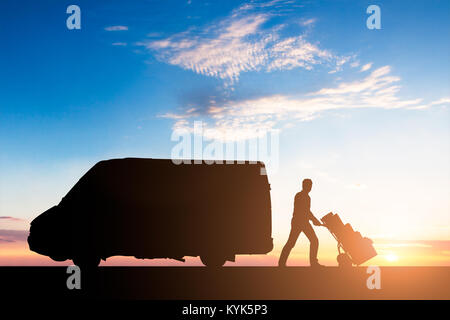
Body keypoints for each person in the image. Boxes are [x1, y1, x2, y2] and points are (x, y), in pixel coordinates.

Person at [278, 178, 324, 267]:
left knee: (295, 242)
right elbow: (305, 211)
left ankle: (281, 263)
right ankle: (313, 263)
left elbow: (307, 211)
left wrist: (313, 219)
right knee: (311, 241)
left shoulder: (305, 196)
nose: (310, 187)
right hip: (299, 222)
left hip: (302, 222)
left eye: (311, 186)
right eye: (309, 185)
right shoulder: (301, 196)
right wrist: (314, 220)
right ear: (304, 186)